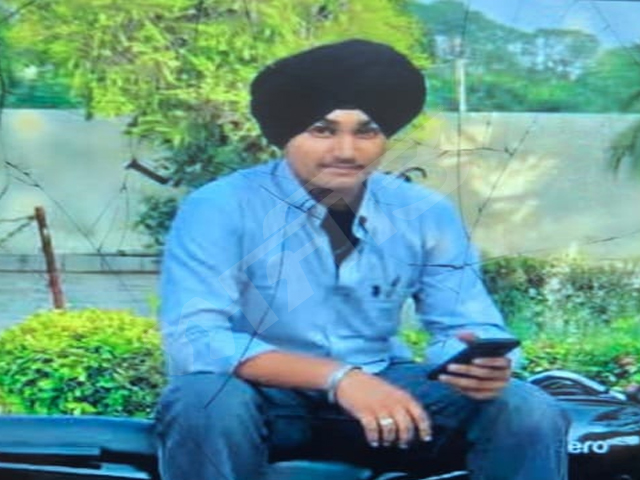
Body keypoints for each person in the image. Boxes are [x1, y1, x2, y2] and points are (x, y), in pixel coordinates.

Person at [155, 39, 569, 480]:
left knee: (525, 408)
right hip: (261, 399)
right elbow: (194, 337)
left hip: (386, 389)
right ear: (286, 135)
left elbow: (467, 321)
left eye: (366, 132)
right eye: (323, 130)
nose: (347, 151)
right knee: (202, 401)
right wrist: (340, 378)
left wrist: (477, 364)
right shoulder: (220, 207)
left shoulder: (423, 212)